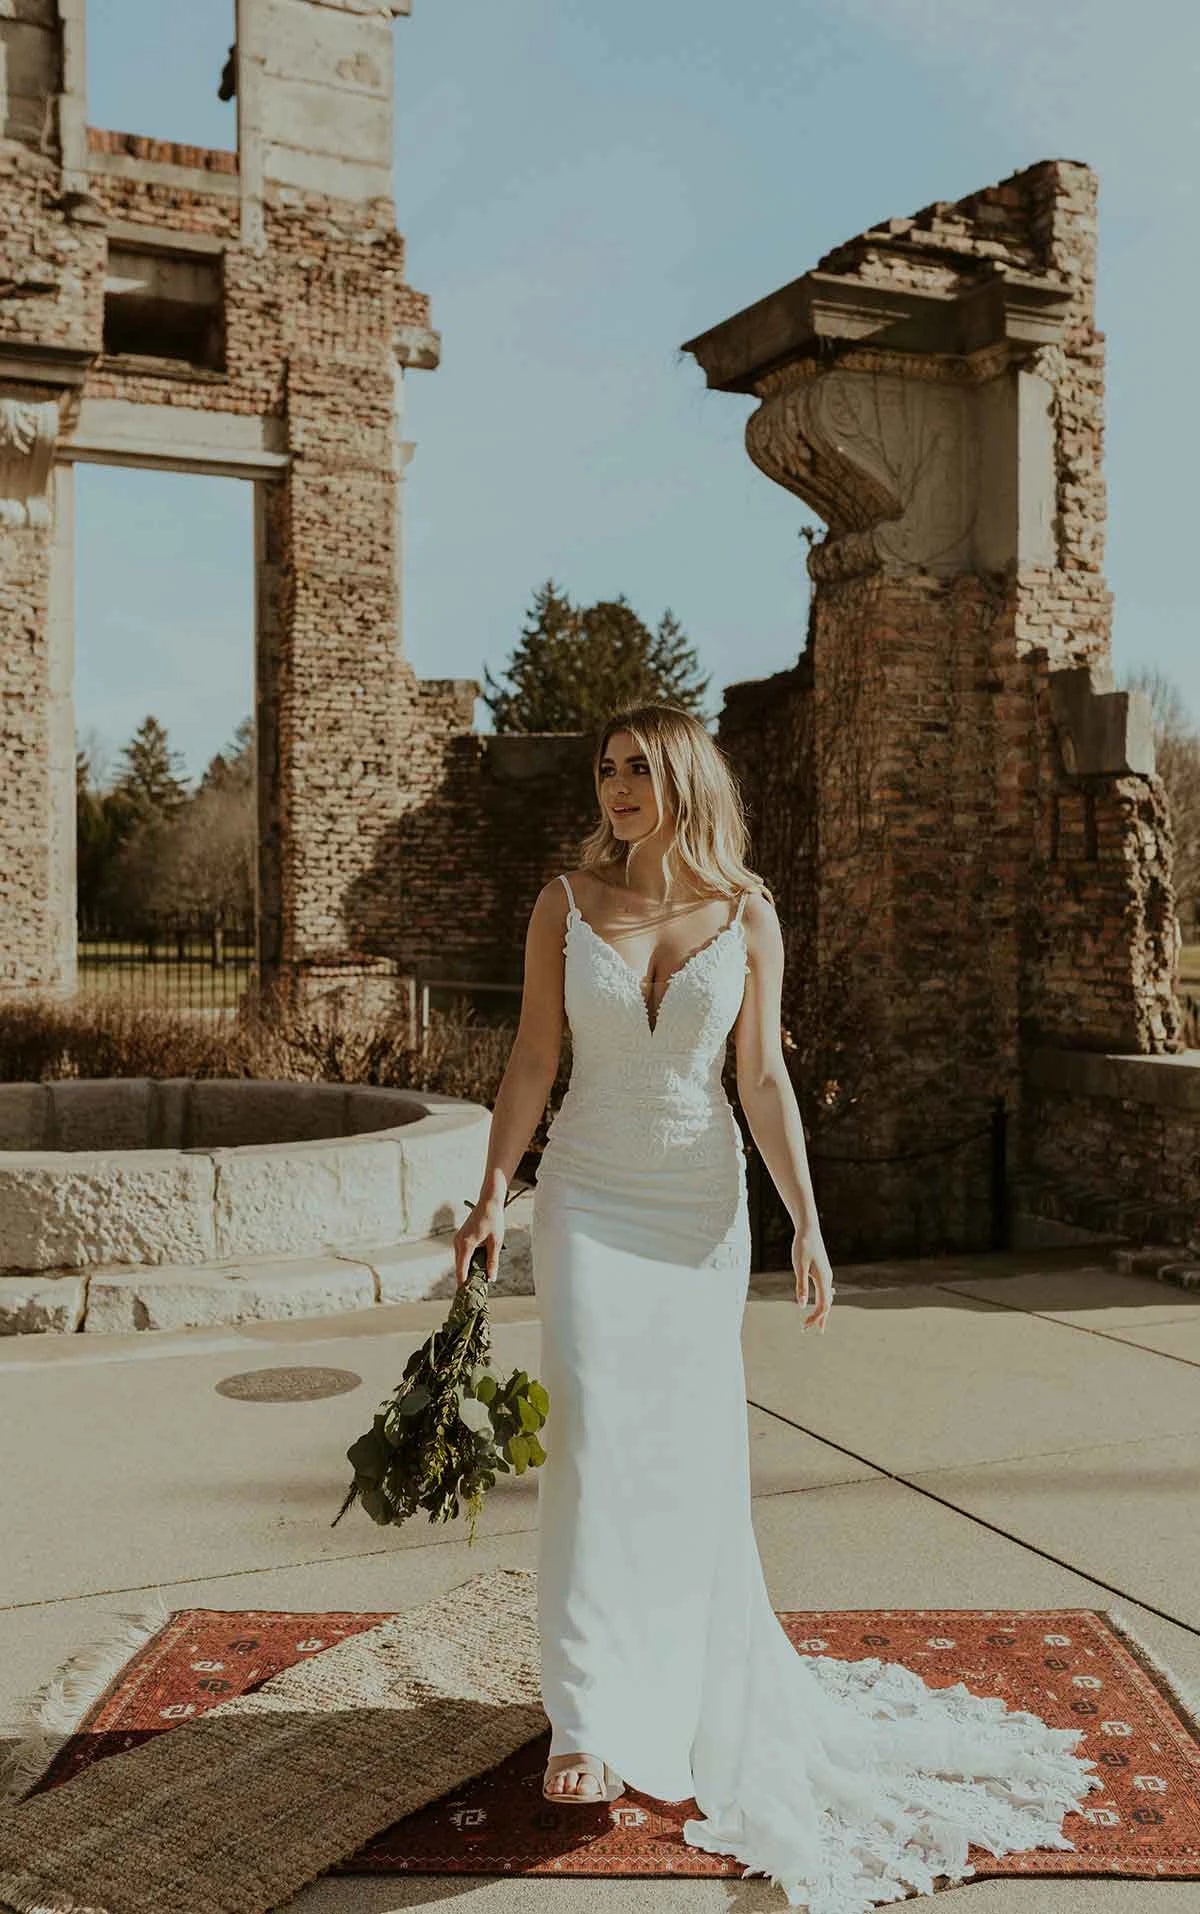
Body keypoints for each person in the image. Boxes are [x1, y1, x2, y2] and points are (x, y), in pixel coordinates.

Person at [452, 703, 1100, 1912]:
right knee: (589, 1432)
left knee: (685, 1454)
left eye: (639, 768)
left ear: (687, 777)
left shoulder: (748, 915)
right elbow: (534, 1059)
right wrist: (494, 1191)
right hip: (588, 1196)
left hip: (697, 1208)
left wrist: (805, 1217)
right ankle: (583, 1717)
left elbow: (762, 1076)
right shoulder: (565, 902)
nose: (617, 788)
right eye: (606, 770)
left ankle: (685, 1686)